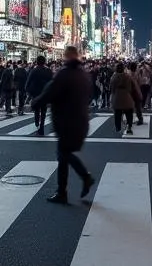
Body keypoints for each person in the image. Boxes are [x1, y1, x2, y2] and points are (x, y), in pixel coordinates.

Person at [32, 45, 95, 204]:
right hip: (80, 119)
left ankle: (79, 181)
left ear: (66, 57)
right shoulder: (83, 74)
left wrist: (36, 102)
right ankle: (66, 189)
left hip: (67, 121)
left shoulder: (64, 74)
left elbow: (50, 92)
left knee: (63, 155)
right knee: (64, 155)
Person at [25, 54, 53, 135]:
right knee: (43, 111)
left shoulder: (34, 70)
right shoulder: (48, 71)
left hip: (36, 93)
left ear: (37, 62)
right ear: (44, 62)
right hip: (45, 93)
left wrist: (27, 89)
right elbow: (52, 81)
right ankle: (42, 127)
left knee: (36, 110)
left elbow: (28, 81)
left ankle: (37, 123)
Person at [110, 63, 136, 135]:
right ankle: (129, 127)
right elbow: (131, 88)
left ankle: (118, 128)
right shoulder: (127, 76)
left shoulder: (113, 77)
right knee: (129, 113)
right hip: (126, 96)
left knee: (117, 114)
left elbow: (112, 88)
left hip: (117, 97)